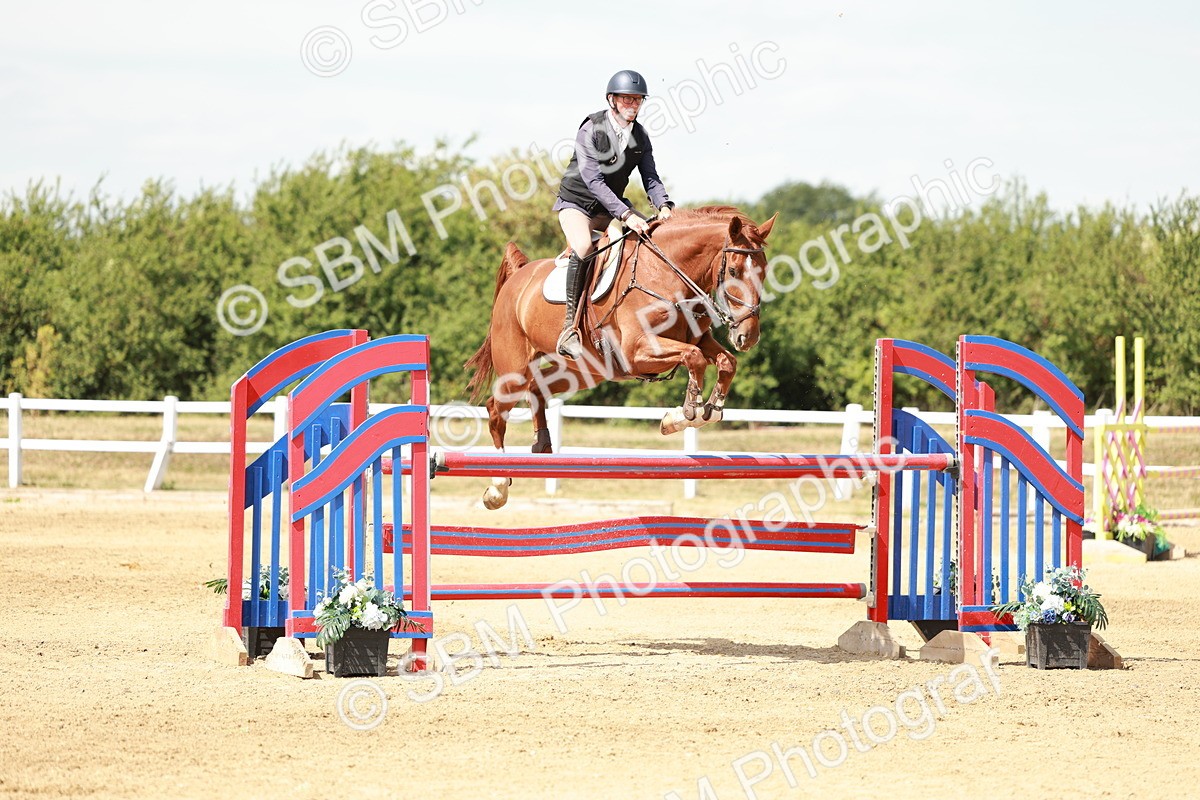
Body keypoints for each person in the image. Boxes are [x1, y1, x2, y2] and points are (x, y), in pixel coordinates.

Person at [552, 69, 675, 360]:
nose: (633, 104)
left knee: (646, 240)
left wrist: (665, 206)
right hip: (577, 205)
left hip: (610, 207)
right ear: (612, 100)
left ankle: (622, 319)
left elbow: (651, 178)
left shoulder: (640, 137)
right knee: (583, 247)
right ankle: (569, 328)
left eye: (638, 99)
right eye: (627, 99)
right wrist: (626, 214)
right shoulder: (591, 128)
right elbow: (593, 181)